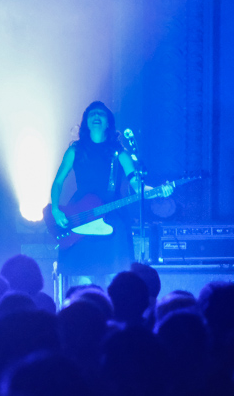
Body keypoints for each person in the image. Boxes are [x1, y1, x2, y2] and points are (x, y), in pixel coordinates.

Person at [49, 101, 171, 287]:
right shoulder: (75, 150)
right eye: (92, 114)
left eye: (101, 114)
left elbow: (138, 186)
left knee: (115, 277)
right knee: (83, 279)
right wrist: (56, 209)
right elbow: (58, 182)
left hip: (113, 215)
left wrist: (158, 192)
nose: (96, 116)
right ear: (86, 123)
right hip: (82, 215)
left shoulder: (120, 153)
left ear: (108, 123)